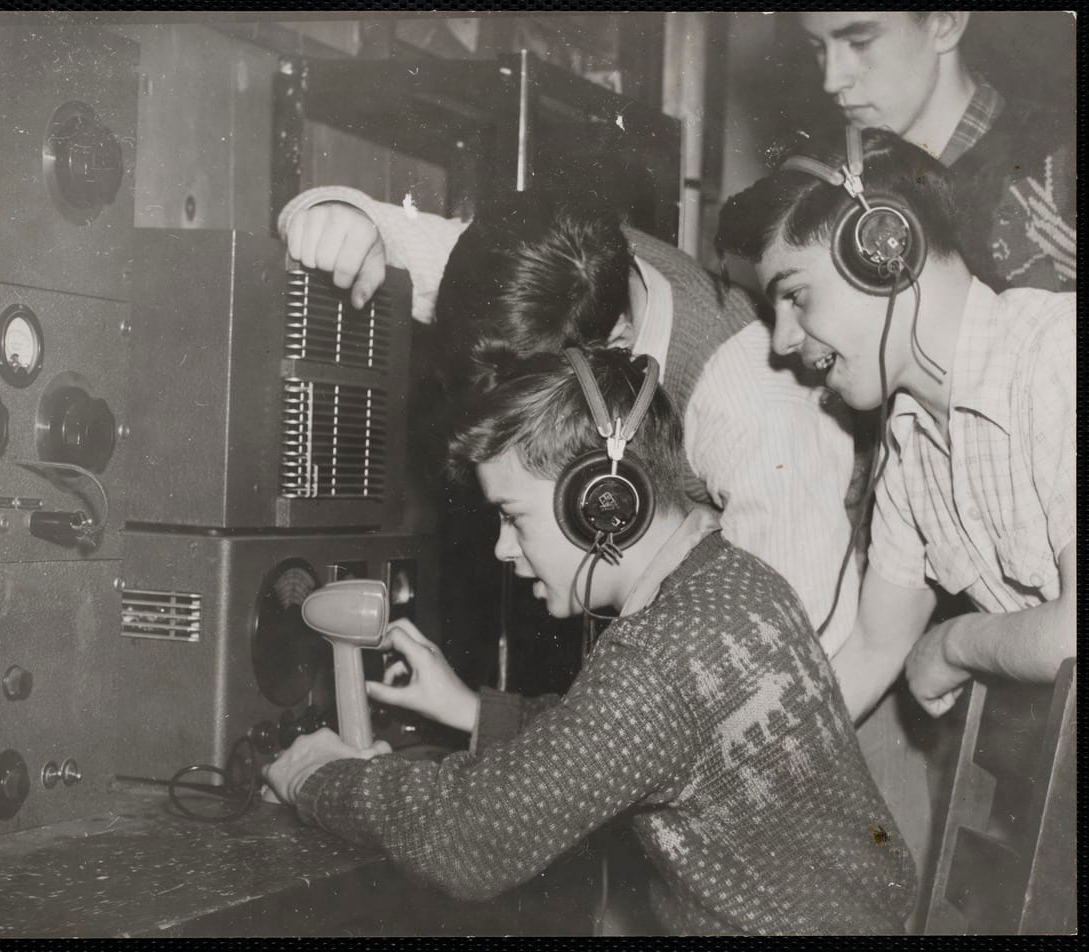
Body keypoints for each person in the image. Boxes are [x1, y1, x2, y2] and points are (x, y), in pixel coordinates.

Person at [262, 346, 916, 935]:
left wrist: (318, 777)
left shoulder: (659, 657)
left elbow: (471, 839)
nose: (503, 549)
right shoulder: (732, 578)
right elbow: (611, 739)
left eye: (513, 517)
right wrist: (471, 711)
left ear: (601, 503)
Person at [277, 188, 860, 657]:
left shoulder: (750, 405)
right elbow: (385, 237)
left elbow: (792, 653)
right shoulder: (554, 273)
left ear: (618, 350)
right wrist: (339, 218)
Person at [715, 126, 1076, 724]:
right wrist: (745, 782)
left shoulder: (1056, 356)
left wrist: (954, 645)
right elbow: (874, 649)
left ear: (884, 247)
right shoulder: (908, 440)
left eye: (796, 295)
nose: (782, 341)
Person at [798, 11, 1075, 292]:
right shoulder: (835, 189)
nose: (831, 81)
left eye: (860, 42)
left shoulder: (1064, 158)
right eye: (817, 47)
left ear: (945, 24)